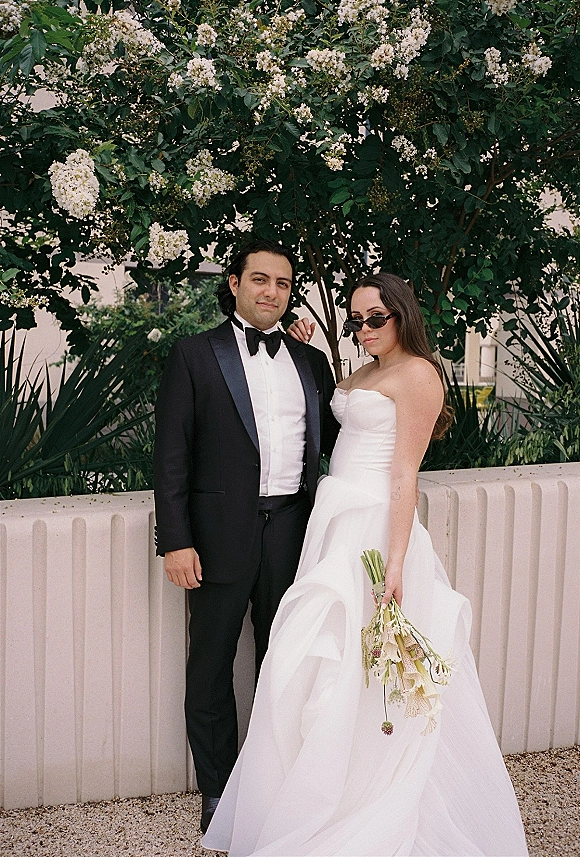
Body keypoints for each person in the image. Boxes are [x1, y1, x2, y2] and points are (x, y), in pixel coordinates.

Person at [202, 272, 529, 856]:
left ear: (403, 314)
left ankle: (368, 799)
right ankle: (316, 790)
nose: (365, 329)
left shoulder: (419, 375)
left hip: (375, 532)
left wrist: (396, 564)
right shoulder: (363, 371)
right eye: (356, 320)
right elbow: (327, 421)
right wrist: (308, 346)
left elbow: (406, 475)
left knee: (365, 669)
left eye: (376, 317)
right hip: (332, 525)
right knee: (315, 664)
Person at [153, 240, 339, 834]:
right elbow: (172, 457)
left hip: (292, 531)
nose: (271, 292)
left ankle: (273, 781)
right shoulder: (193, 355)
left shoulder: (310, 364)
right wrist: (175, 540)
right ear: (233, 282)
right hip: (215, 539)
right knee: (209, 666)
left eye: (282, 283)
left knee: (282, 663)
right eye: (259, 279)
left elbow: (340, 438)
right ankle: (217, 789)